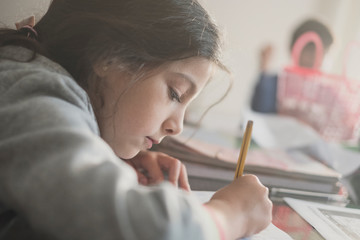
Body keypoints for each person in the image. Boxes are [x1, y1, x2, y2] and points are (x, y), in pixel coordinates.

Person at [0, 0, 272, 239]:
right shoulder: (35, 91)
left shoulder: (32, 83)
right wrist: (230, 215)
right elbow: (141, 229)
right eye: (175, 93)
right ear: (109, 56)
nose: (176, 126)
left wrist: (100, 155)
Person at [251, 18, 334, 113]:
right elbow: (259, 111)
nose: (317, 59)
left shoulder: (326, 93)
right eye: (311, 51)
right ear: (294, 49)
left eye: (324, 53)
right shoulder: (274, 83)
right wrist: (264, 67)